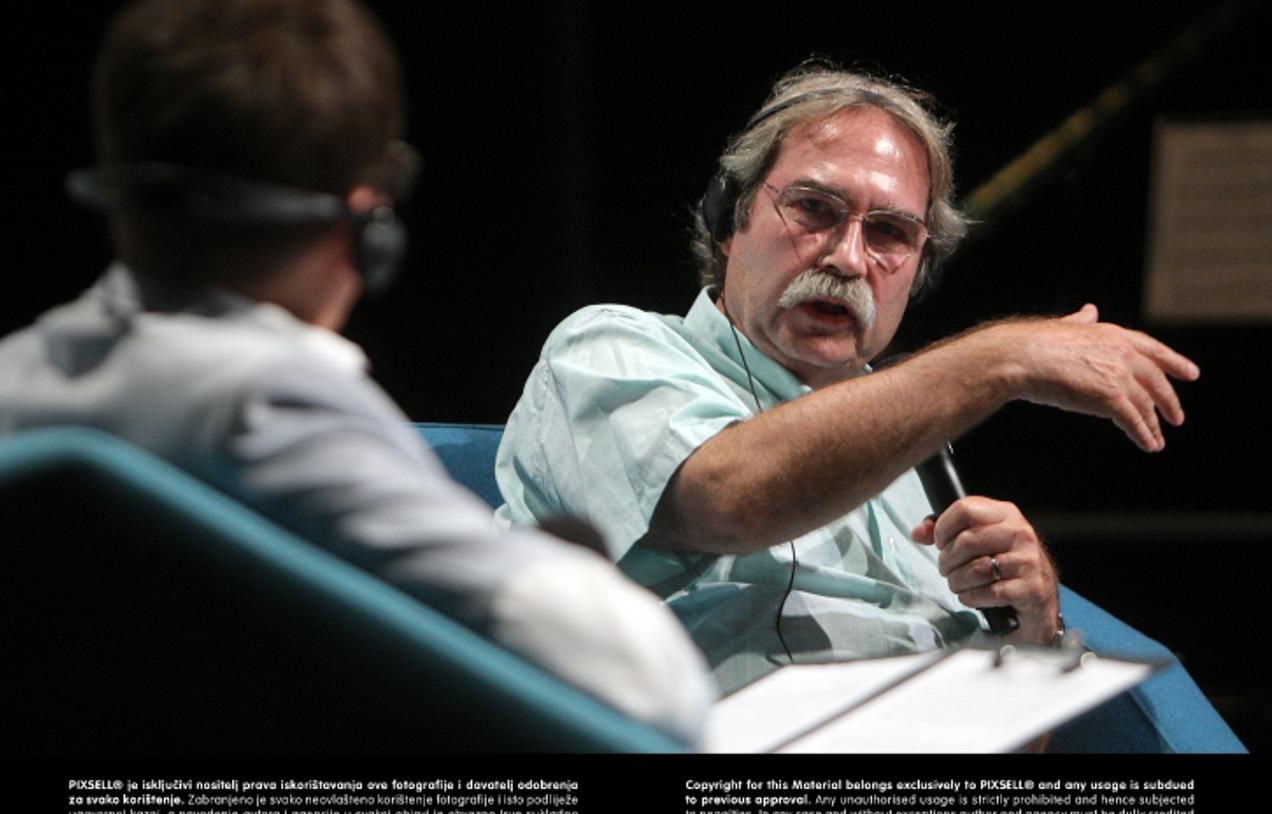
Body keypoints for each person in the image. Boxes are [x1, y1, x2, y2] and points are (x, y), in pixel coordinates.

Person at [0, 0, 715, 744]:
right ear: (367, 223)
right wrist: (573, 582)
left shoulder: (9, 378)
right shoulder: (270, 412)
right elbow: (651, 685)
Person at [494, 62, 1203, 695]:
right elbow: (729, 498)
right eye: (814, 208)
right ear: (729, 218)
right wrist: (999, 358)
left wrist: (1033, 634)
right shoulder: (609, 347)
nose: (848, 258)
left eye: (889, 232)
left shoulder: (914, 462)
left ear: (919, 272)